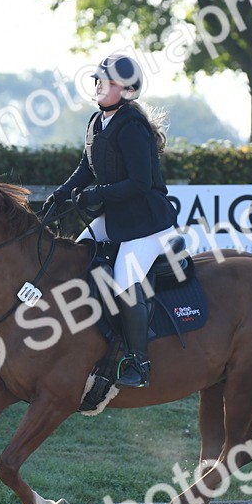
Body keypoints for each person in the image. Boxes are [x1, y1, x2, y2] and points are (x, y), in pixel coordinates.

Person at [43, 51, 177, 389]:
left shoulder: (132, 127)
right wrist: (62, 193)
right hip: (118, 217)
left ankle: (139, 362)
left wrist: (96, 195)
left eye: (106, 81)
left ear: (127, 90)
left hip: (147, 222)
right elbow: (86, 168)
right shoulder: (96, 121)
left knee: (125, 280)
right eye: (97, 80)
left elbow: (139, 183)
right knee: (79, 253)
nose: (98, 85)